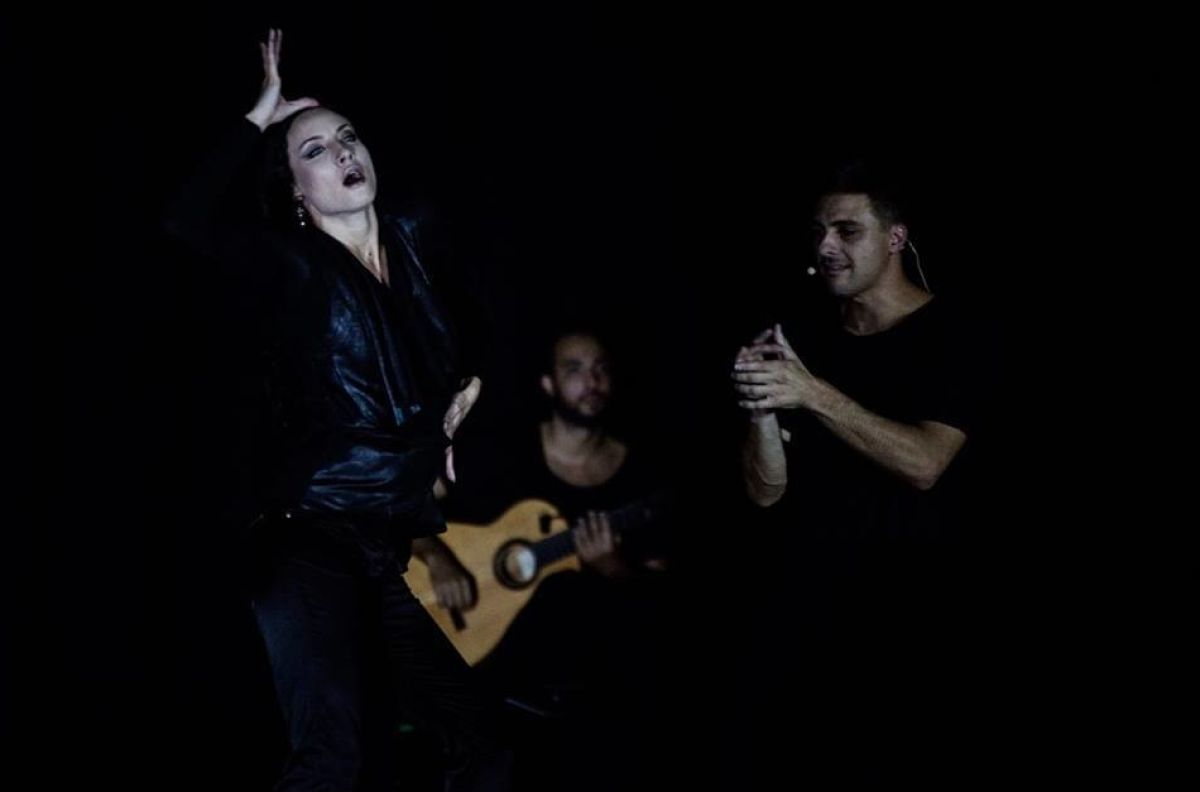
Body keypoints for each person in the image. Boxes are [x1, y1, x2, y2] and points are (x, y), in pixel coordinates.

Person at [165, 29, 509, 791]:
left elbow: (481, 327)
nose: (344, 153)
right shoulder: (292, 265)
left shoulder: (417, 238)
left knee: (481, 747)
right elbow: (186, 222)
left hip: (380, 552)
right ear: (296, 189)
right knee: (330, 760)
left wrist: (471, 387)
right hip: (307, 541)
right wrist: (260, 118)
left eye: (348, 137)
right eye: (315, 150)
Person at [732, 162, 995, 783]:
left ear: (896, 238)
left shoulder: (956, 334)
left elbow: (925, 462)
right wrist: (763, 410)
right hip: (807, 625)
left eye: (847, 231)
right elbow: (765, 493)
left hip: (919, 632)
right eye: (819, 232)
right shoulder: (802, 337)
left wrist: (812, 393)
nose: (826, 247)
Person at [418, 327, 676, 791]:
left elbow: (668, 600)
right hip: (492, 695)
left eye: (601, 369)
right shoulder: (502, 454)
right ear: (547, 383)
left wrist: (615, 569)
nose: (591, 382)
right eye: (574, 370)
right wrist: (435, 555)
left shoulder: (641, 477)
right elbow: (410, 504)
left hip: (597, 701)